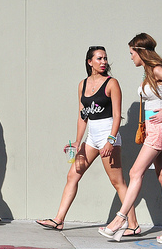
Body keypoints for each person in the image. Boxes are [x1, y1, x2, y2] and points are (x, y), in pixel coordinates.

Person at [36, 46, 140, 235]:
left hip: (109, 135)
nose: (103, 62)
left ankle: (133, 225)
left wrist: (110, 140)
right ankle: (58, 220)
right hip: (92, 137)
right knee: (72, 175)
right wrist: (77, 141)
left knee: (118, 182)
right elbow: (82, 116)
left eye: (105, 58)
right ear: (89, 61)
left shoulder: (111, 83)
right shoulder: (82, 85)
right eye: (99, 58)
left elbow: (117, 116)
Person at [99, 33, 162, 243]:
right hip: (154, 128)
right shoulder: (148, 73)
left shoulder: (157, 70)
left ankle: (120, 220)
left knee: (135, 172)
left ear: (140, 52)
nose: (130, 57)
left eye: (132, 53)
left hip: (160, 127)